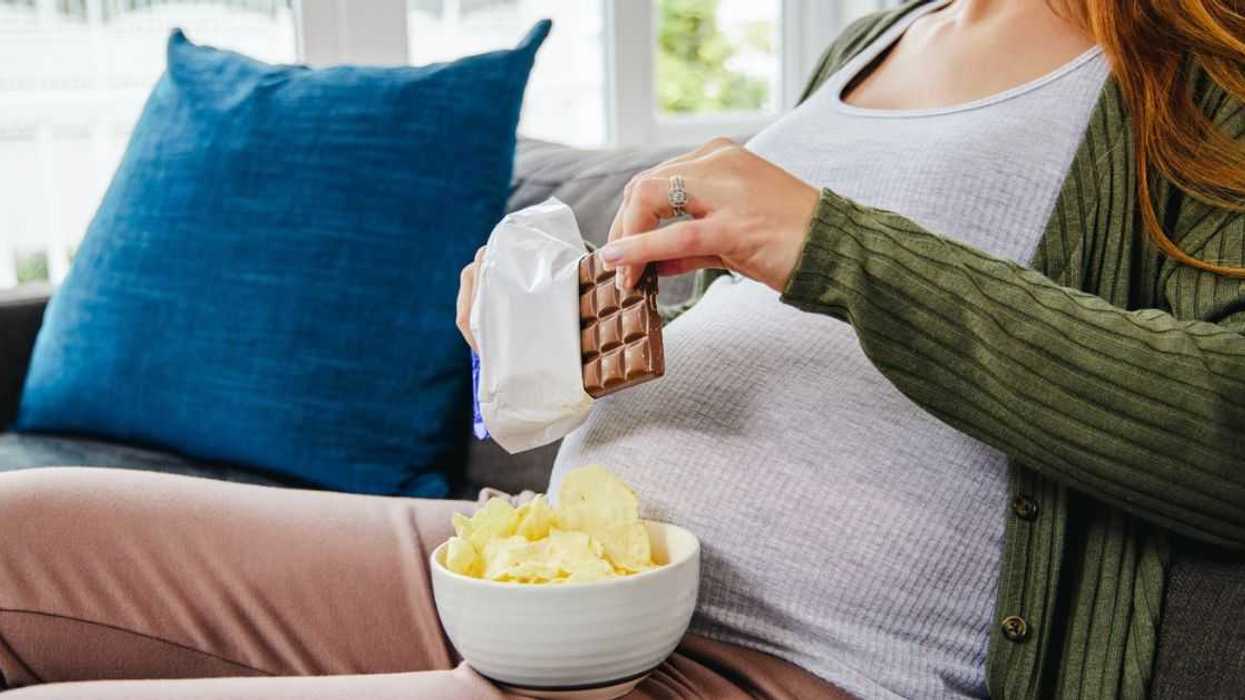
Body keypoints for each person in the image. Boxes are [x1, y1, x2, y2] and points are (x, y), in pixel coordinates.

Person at [3, 0, 1242, 697]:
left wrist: (835, 243)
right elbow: (800, 329)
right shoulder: (879, 36)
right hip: (560, 577)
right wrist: (585, 329)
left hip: (772, 659)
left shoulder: (1208, 71)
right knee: (20, 531)